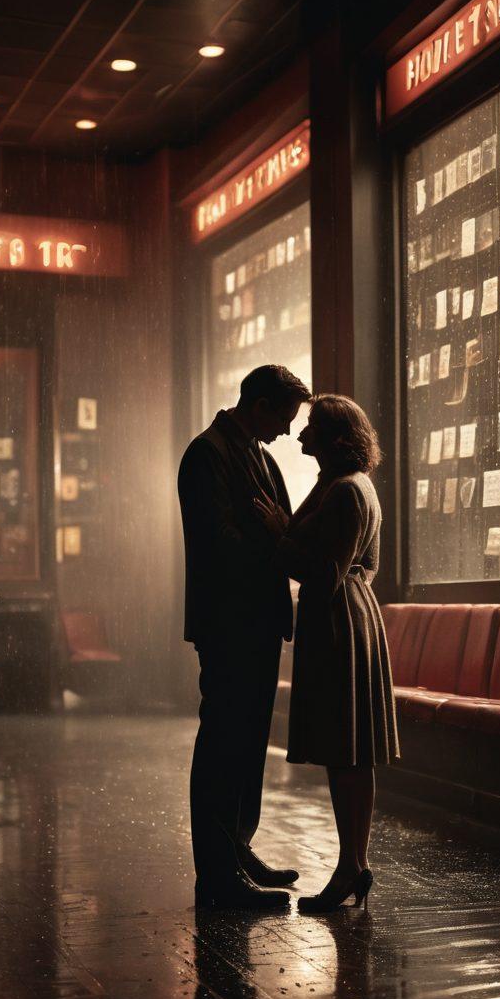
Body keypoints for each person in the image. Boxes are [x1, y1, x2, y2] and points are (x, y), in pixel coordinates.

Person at [255, 394, 399, 912]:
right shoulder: (346, 486)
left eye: (311, 427)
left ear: (337, 437)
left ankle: (350, 868)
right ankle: (352, 866)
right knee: (351, 749)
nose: (300, 435)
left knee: (346, 750)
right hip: (349, 616)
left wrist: (277, 537)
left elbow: (324, 571)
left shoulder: (344, 492)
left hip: (339, 622)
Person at [178, 364, 311, 909]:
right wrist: (274, 540)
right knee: (222, 745)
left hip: (255, 621)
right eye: (282, 416)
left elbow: (281, 525)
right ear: (258, 405)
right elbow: (217, 542)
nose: (286, 430)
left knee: (249, 742)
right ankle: (217, 872)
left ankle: (238, 847)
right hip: (229, 622)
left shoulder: (258, 453)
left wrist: (278, 535)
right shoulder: (206, 453)